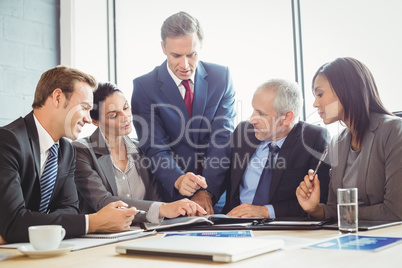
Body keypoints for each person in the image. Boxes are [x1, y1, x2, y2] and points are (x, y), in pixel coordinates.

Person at [0, 66, 138, 244]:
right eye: (84, 108)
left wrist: (25, 227)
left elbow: (69, 210)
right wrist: (93, 222)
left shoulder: (66, 151)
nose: (89, 119)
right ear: (57, 98)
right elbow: (14, 223)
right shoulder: (8, 141)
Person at [131, 11, 236, 214]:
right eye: (176, 55)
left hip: (216, 195)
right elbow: (154, 147)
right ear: (163, 48)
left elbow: (222, 138)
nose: (185, 64)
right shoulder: (144, 87)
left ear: (201, 45)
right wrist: (178, 179)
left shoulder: (221, 78)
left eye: (191, 54)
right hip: (172, 197)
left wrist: (207, 192)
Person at [73, 82, 206, 223]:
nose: (125, 117)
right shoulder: (81, 150)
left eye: (125, 108)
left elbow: (155, 199)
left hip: (146, 234)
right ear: (95, 121)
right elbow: (103, 201)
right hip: (101, 237)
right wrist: (163, 209)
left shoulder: (142, 149)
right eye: (113, 115)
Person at [296, 57, 402, 221]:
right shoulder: (337, 143)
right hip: (350, 237)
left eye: (320, 94)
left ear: (346, 90)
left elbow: (396, 212)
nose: (315, 104)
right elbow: (334, 207)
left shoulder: (394, 131)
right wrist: (315, 209)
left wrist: (342, 214)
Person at [222, 79, 330, 218]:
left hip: (283, 229)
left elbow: (319, 203)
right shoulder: (243, 132)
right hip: (234, 224)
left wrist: (265, 212)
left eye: (260, 113)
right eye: (253, 110)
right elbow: (221, 175)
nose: (252, 119)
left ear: (286, 117)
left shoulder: (314, 139)